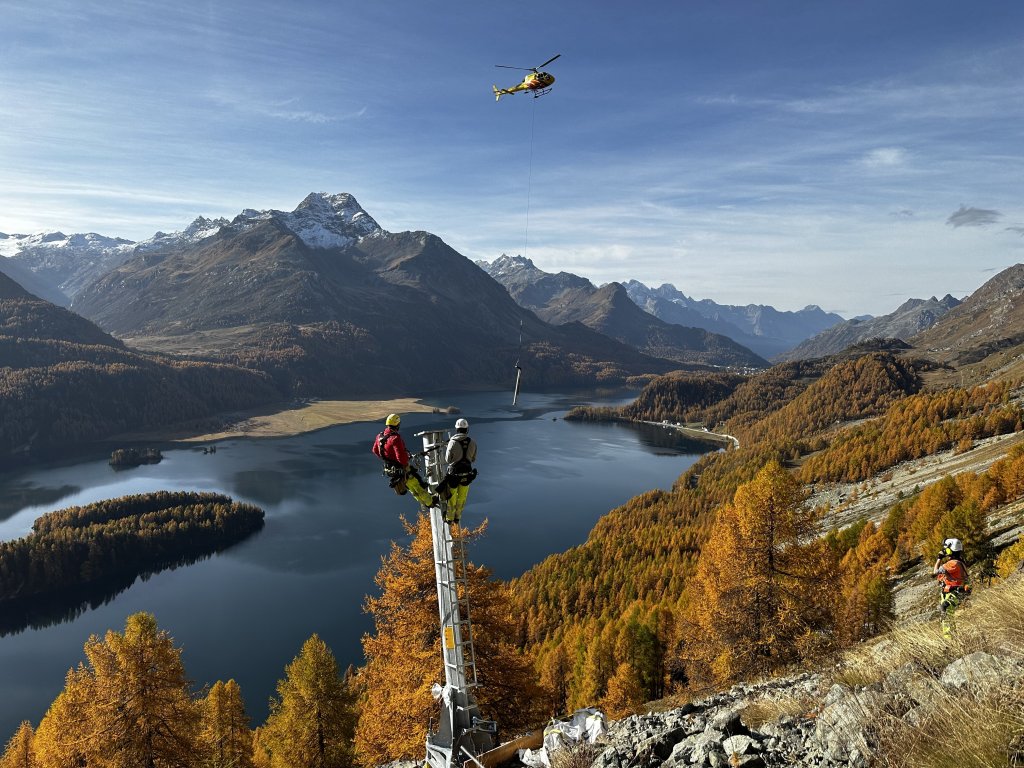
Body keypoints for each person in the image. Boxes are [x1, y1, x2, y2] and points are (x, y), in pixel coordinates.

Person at [371, 413, 436, 509]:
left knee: (411, 488)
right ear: (397, 425)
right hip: (401, 468)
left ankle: (424, 503)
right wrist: (406, 463)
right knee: (417, 484)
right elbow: (401, 458)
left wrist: (388, 459)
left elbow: (375, 450)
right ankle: (430, 502)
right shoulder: (395, 438)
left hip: (390, 469)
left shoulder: (379, 436)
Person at [436, 418, 478, 525]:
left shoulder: (452, 442)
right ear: (467, 429)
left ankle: (449, 518)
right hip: (467, 475)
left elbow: (447, 460)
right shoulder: (472, 442)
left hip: (453, 476)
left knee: (452, 498)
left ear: (457, 429)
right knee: (462, 498)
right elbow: (473, 459)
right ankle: (457, 517)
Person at [933, 537, 972, 638]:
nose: (945, 550)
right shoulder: (959, 562)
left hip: (952, 592)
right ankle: (952, 637)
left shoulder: (953, 563)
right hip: (951, 592)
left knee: (945, 611)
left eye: (946, 549)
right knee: (948, 615)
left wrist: (939, 557)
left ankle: (950, 639)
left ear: (950, 550)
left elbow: (935, 571)